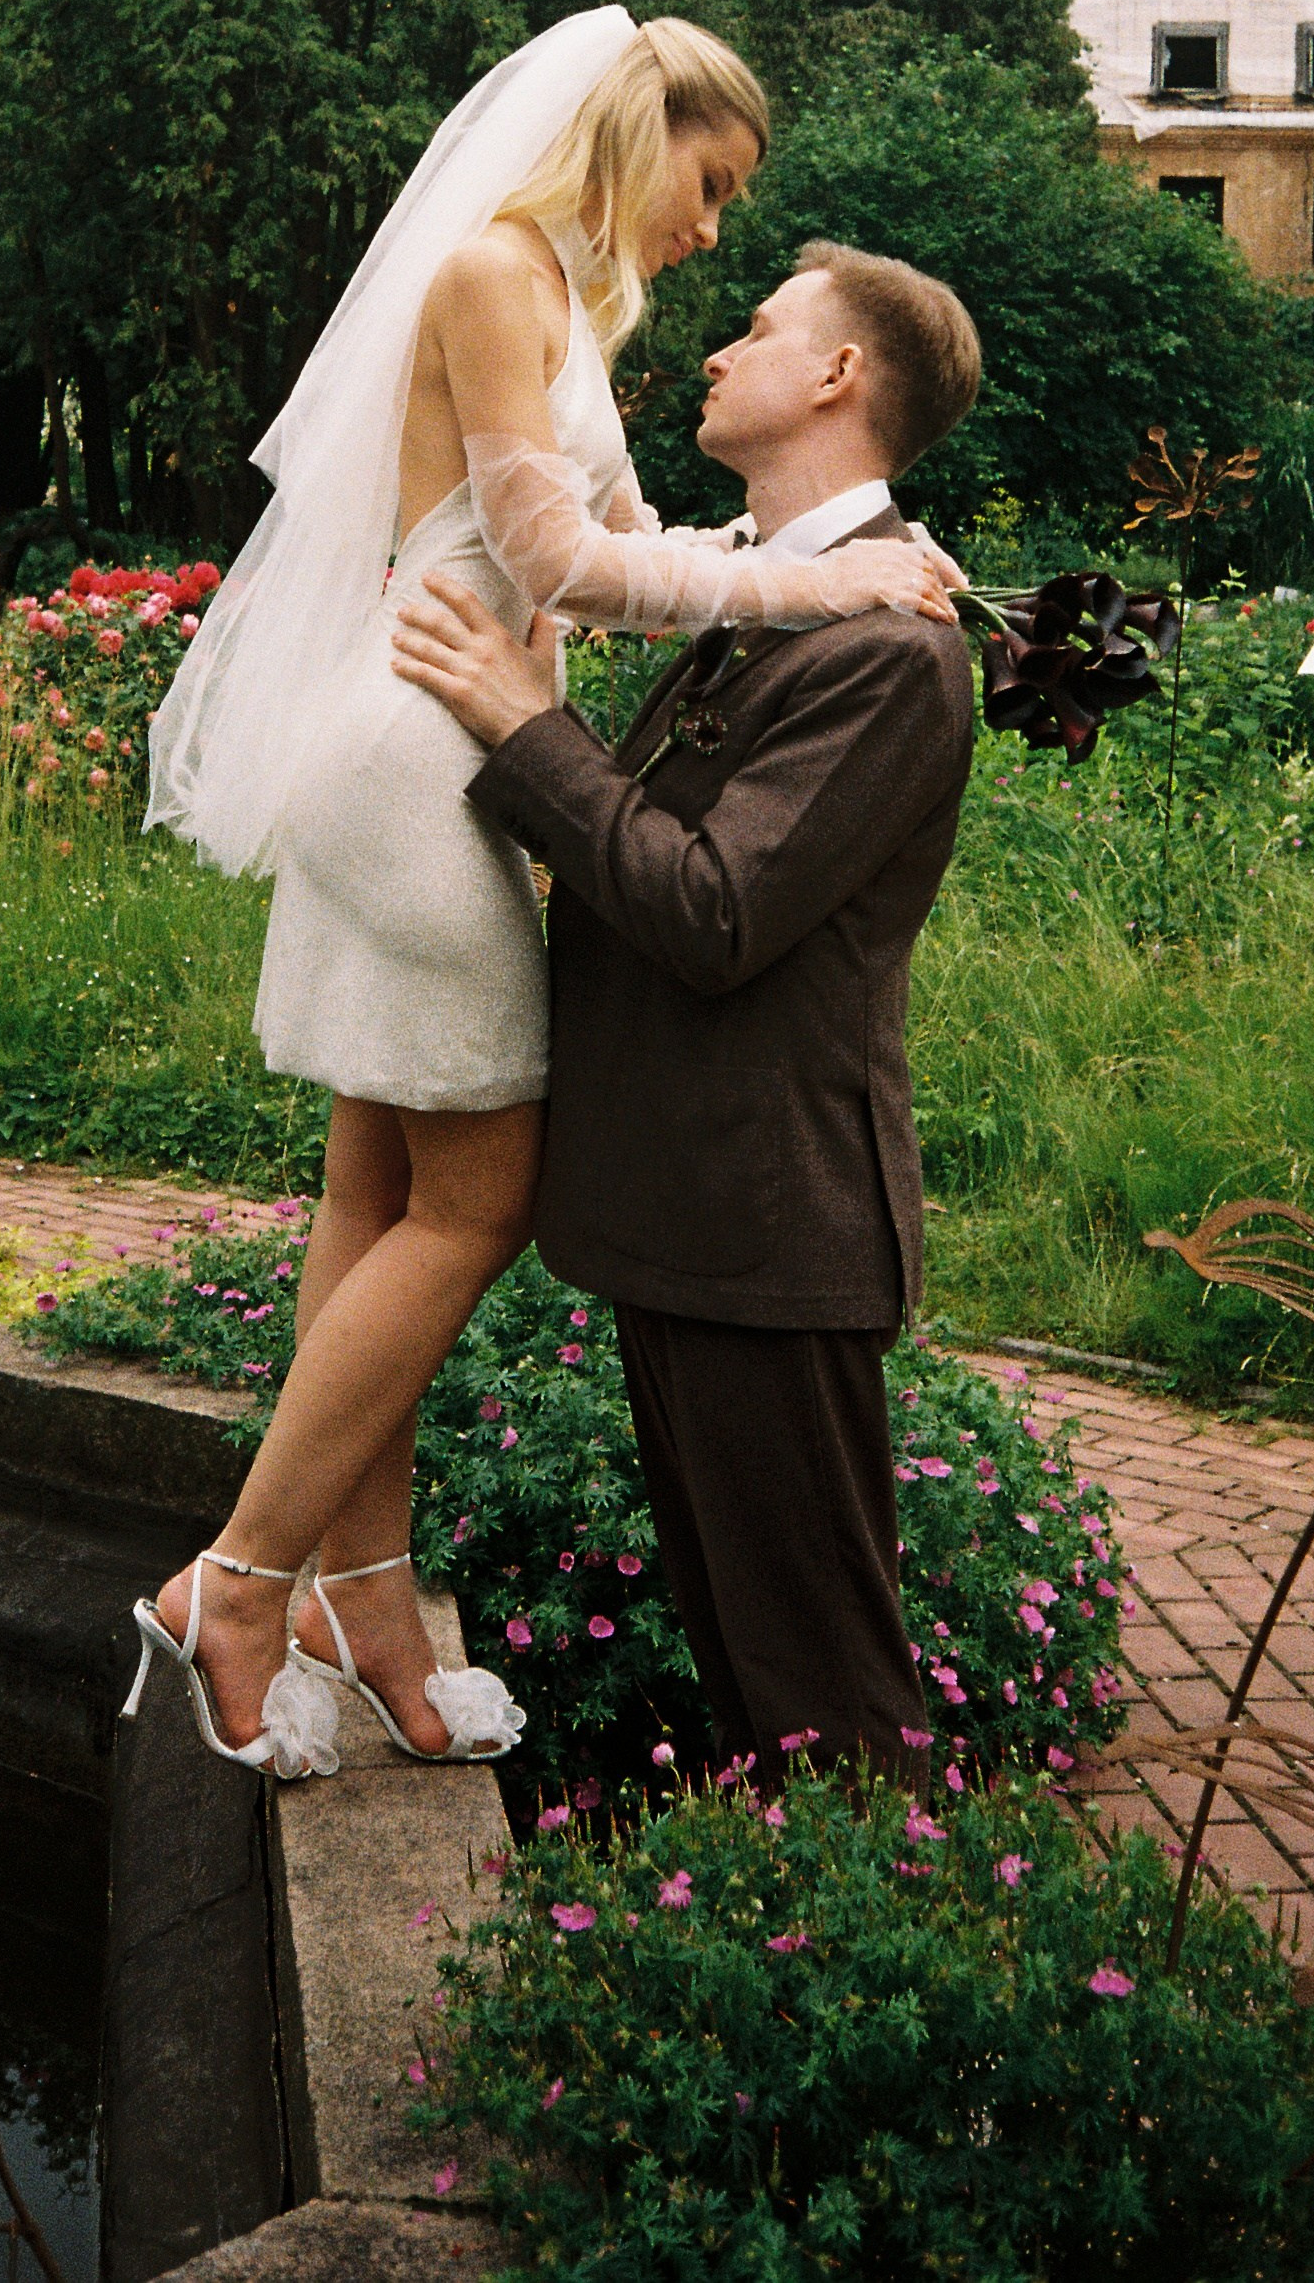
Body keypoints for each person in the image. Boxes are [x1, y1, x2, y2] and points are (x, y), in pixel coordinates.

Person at [134, 13, 959, 1778]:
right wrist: (822, 594)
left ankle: (364, 1600)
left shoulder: (560, 310)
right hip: (423, 750)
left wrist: (800, 554)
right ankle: (238, 1577)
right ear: (627, 126)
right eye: (710, 180)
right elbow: (561, 564)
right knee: (482, 1193)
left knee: (374, 1187)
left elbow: (645, 527)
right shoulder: (497, 273)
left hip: (436, 742)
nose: (714, 229)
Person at [391, 243, 981, 1775]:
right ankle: (796, 1945)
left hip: (770, 1233)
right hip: (698, 1221)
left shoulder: (892, 648)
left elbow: (712, 910)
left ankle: (894, 1970)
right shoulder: (770, 599)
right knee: (753, 1676)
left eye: (762, 329)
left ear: (839, 377)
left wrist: (527, 733)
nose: (717, 350)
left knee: (825, 1700)